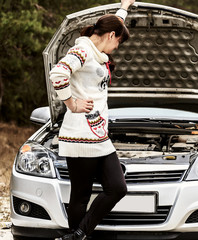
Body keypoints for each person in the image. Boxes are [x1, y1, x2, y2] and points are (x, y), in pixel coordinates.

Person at [50, 1, 135, 239]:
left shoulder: (97, 52)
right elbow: (58, 73)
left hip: (98, 136)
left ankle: (79, 233)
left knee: (117, 188)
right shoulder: (83, 51)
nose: (117, 47)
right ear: (110, 35)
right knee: (80, 194)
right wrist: (71, 103)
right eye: (118, 41)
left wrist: (124, 8)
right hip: (79, 135)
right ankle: (76, 235)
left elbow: (115, 27)